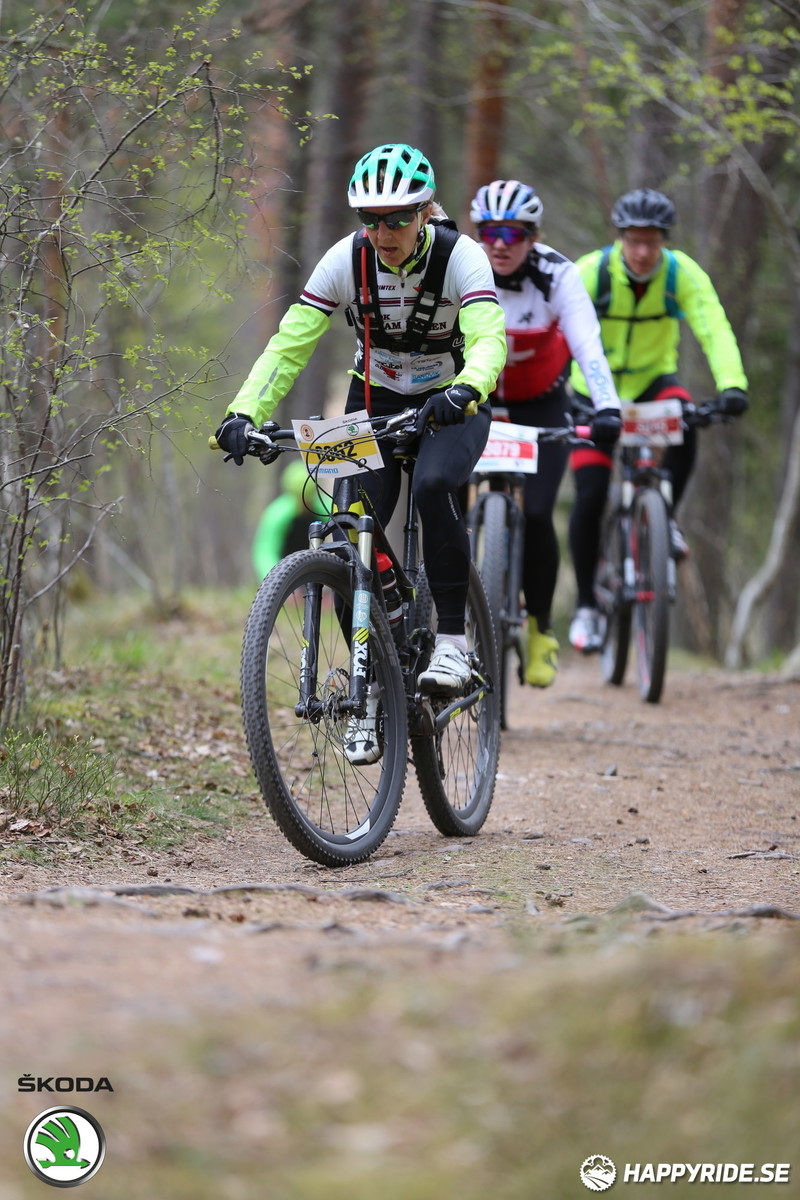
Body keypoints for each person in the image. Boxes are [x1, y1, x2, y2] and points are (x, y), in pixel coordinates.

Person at [215, 142, 507, 762]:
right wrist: (244, 413)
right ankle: (370, 687)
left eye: (398, 218)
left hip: (451, 402)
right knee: (351, 535)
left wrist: (468, 389)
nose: (383, 232)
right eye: (370, 220)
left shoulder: (464, 258)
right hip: (373, 400)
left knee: (431, 488)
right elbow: (288, 345)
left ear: (426, 212)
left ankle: (452, 641)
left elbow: (488, 341)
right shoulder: (344, 261)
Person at [567, 187, 749, 654]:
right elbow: (556, 328)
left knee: (686, 415)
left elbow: (713, 324)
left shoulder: (680, 273)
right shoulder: (591, 272)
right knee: (588, 497)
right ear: (620, 238)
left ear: (664, 240)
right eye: (634, 241)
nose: (644, 252)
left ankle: (663, 514)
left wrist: (733, 385)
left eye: (653, 241)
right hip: (594, 392)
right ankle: (587, 606)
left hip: (651, 382)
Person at [469, 179, 621, 687]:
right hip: (477, 399)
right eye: (489, 231)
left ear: (533, 236)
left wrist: (607, 407)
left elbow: (589, 347)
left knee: (536, 513)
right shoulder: (462, 269)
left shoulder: (559, 275)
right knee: (442, 494)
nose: (500, 243)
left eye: (513, 232)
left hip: (543, 403)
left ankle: (539, 629)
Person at [251, 457, 331, 580]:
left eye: (309, 498)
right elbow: (266, 551)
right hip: (284, 567)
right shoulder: (278, 514)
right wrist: (275, 580)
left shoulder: (322, 508)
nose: (305, 504)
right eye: (300, 499)